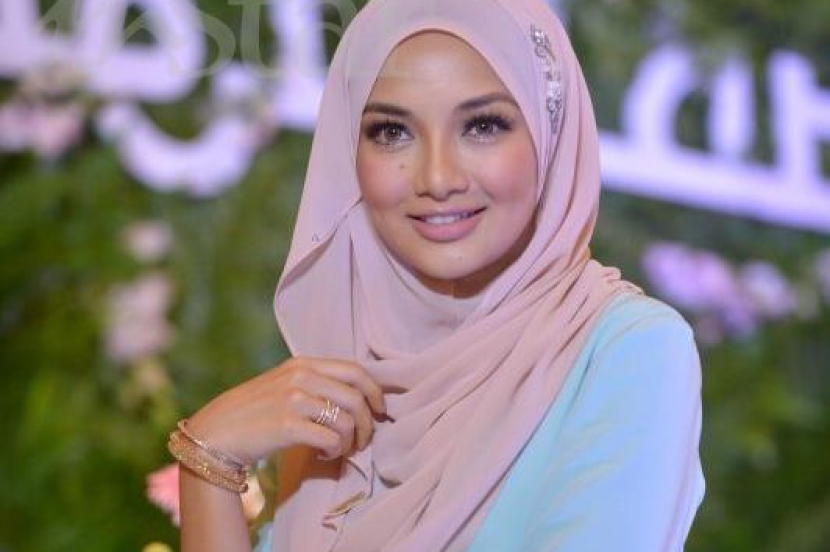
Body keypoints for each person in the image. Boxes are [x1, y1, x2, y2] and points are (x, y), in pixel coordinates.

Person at [170, 0, 706, 550]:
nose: (437, 177)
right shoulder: (350, 375)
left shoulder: (626, 352)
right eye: (392, 132)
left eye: (483, 125)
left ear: (550, 135)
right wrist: (208, 457)